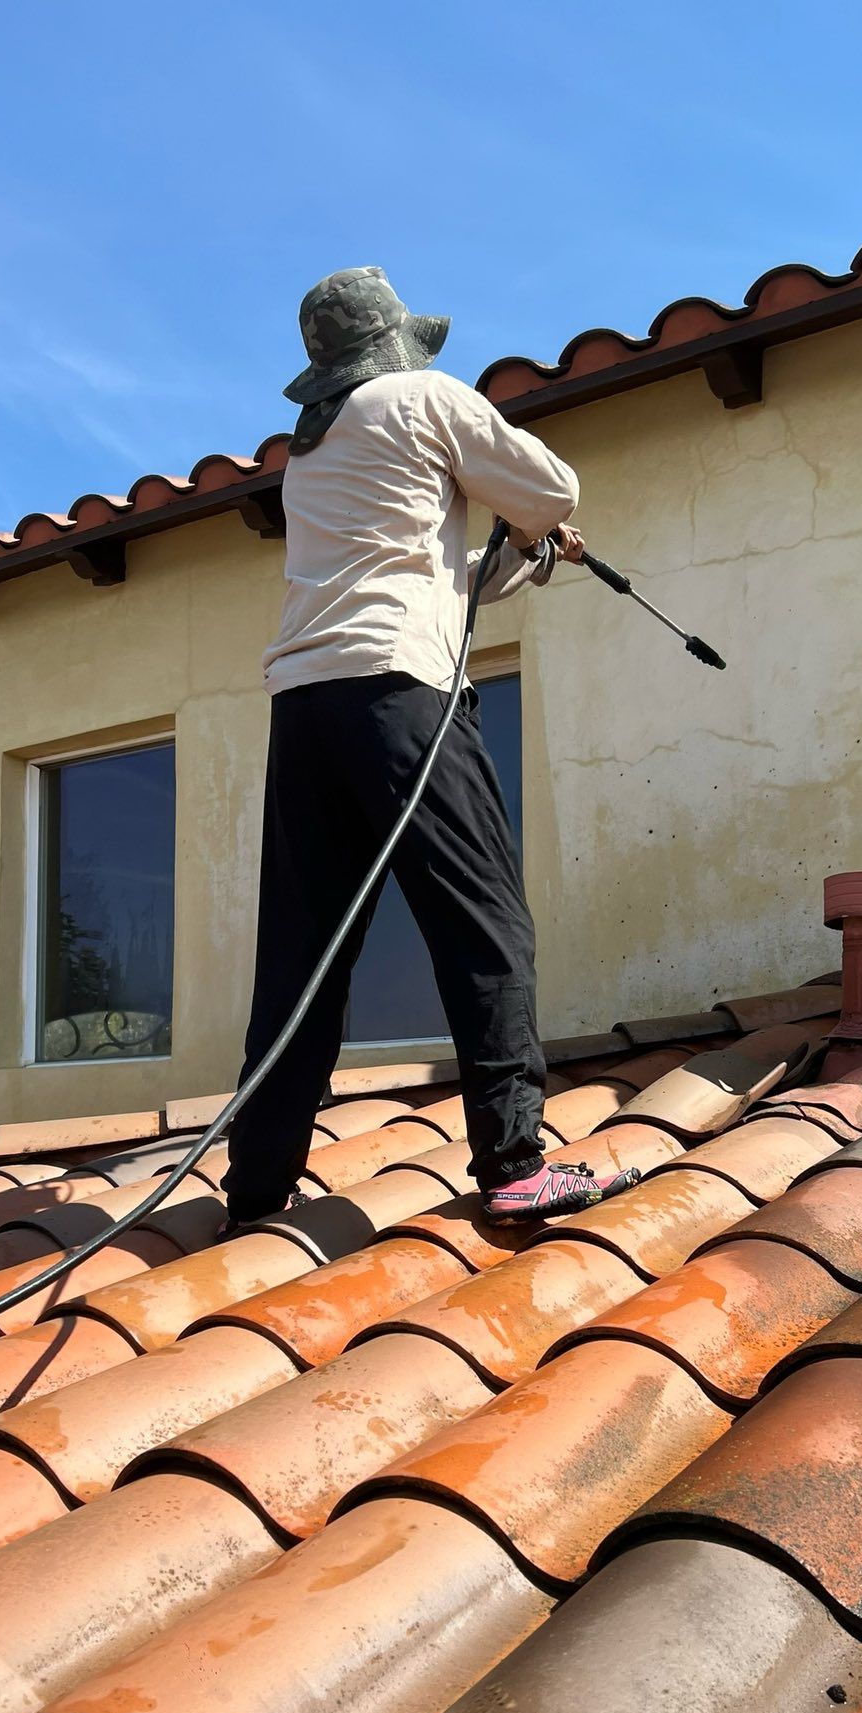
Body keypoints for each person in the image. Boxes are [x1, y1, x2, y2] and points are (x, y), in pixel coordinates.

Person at [221, 267, 643, 1229]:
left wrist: (522, 556)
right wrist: (541, 527)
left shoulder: (314, 447)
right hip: (401, 695)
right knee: (484, 923)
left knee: (304, 957)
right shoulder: (426, 396)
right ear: (395, 345)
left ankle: (256, 1189)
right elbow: (550, 486)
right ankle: (514, 1163)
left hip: (306, 705)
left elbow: (430, 575)